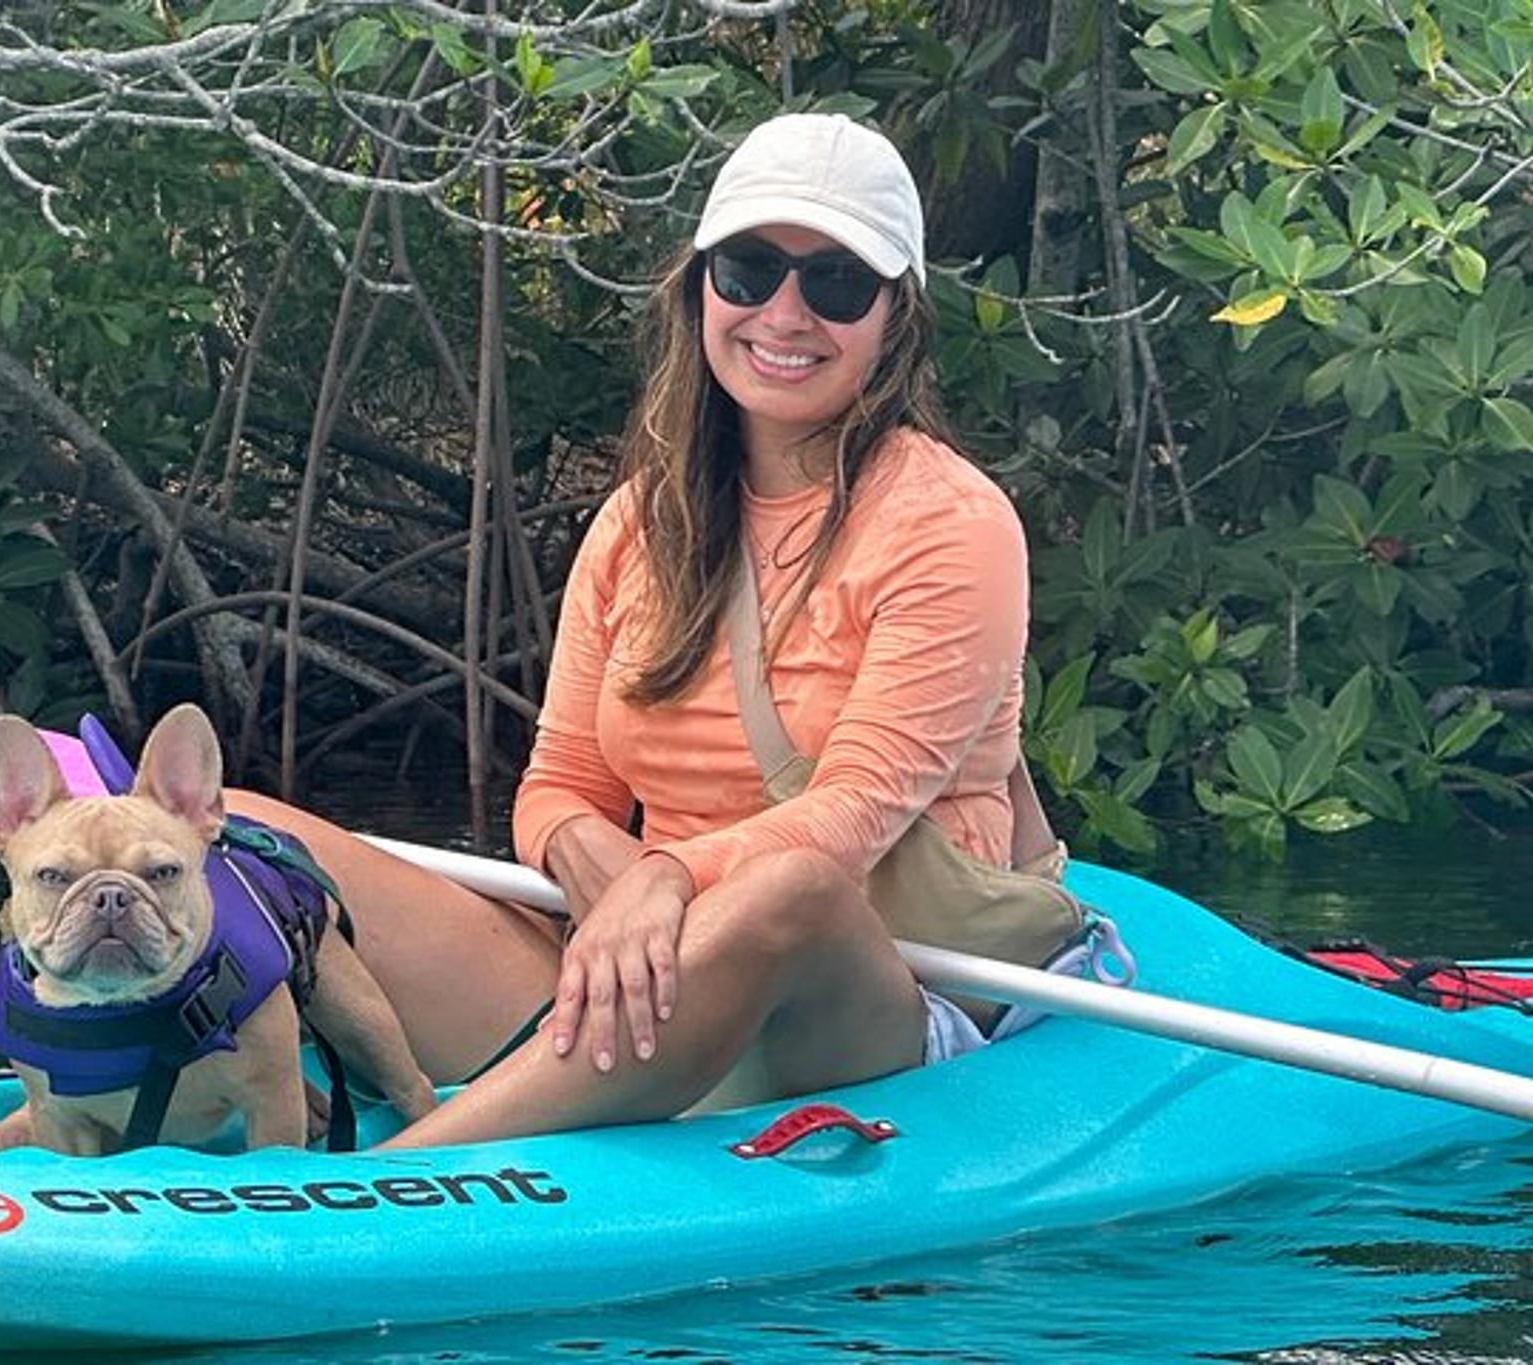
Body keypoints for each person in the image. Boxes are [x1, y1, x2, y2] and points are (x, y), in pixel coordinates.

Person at [230, 112, 1103, 1150]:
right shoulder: (639, 522)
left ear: (893, 319)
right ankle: (88, 1119)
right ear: (698, 289)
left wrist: (666, 875)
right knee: (236, 832)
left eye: (834, 285)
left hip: (865, 997)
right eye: (747, 271)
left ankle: (377, 1191)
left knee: (792, 888)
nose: (783, 313)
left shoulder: (949, 525)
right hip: (640, 964)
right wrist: (594, 859)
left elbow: (851, 817)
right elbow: (557, 783)